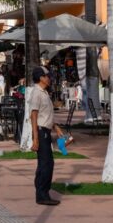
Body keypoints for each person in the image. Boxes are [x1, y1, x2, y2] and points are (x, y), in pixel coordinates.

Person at [28, 66, 69, 205]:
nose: (49, 78)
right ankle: (42, 194)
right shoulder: (37, 93)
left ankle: (41, 192)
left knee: (44, 163)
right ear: (41, 78)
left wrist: (56, 128)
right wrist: (35, 138)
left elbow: (47, 115)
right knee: (47, 164)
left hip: (46, 131)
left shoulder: (44, 93)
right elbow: (34, 116)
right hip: (41, 131)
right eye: (46, 76)